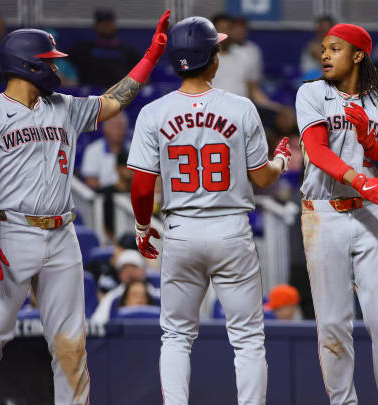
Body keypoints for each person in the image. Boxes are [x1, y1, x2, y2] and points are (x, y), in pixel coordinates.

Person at [0, 10, 172, 404]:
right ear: (25, 64)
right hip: (11, 230)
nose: (56, 67)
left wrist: (151, 56)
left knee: (70, 345)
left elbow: (112, 102)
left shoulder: (64, 106)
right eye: (48, 61)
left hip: (61, 234)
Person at [127, 16, 291, 405]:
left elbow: (141, 186)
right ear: (212, 60)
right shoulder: (240, 107)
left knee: (176, 336)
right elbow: (263, 179)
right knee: (248, 339)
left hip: (181, 229)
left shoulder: (154, 112)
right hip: (230, 228)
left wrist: (141, 225)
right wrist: (282, 161)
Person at [296, 23, 378, 404]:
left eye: (335, 48)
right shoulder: (312, 93)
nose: (325, 55)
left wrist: (370, 142)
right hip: (323, 214)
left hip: (369, 215)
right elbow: (316, 150)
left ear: (358, 55)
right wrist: (359, 178)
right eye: (323, 48)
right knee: (332, 324)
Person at [212, 14, 283, 112]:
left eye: (229, 28)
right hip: (211, 113)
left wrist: (276, 108)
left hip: (240, 113)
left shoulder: (246, 56)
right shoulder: (204, 57)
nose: (225, 32)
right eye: (221, 29)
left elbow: (254, 90)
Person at [69, 8, 141, 88]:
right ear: (96, 26)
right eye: (103, 24)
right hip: (90, 95)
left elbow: (141, 71)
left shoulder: (127, 50)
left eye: (109, 24)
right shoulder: (83, 49)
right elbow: (63, 65)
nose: (107, 27)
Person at [91, 249, 154, 322]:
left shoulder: (157, 296)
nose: (130, 272)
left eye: (134, 267)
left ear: (143, 271)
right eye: (125, 268)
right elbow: (97, 323)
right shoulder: (111, 298)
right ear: (119, 274)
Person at [80, 111, 129, 189]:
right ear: (105, 128)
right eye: (114, 126)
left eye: (120, 126)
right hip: (101, 198)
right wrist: (116, 186)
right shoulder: (92, 150)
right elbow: (91, 182)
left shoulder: (132, 149)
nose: (117, 130)